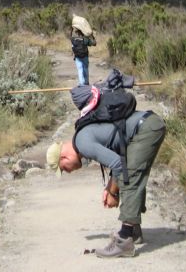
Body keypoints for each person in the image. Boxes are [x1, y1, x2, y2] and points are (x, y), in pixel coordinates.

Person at [46, 107, 166, 258]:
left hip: (145, 128)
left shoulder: (83, 144)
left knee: (130, 176)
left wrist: (113, 192)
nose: (68, 172)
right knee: (133, 173)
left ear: (63, 158)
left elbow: (118, 164)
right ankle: (134, 232)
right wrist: (110, 187)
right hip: (148, 123)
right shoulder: (82, 137)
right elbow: (118, 159)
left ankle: (124, 241)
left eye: (63, 169)